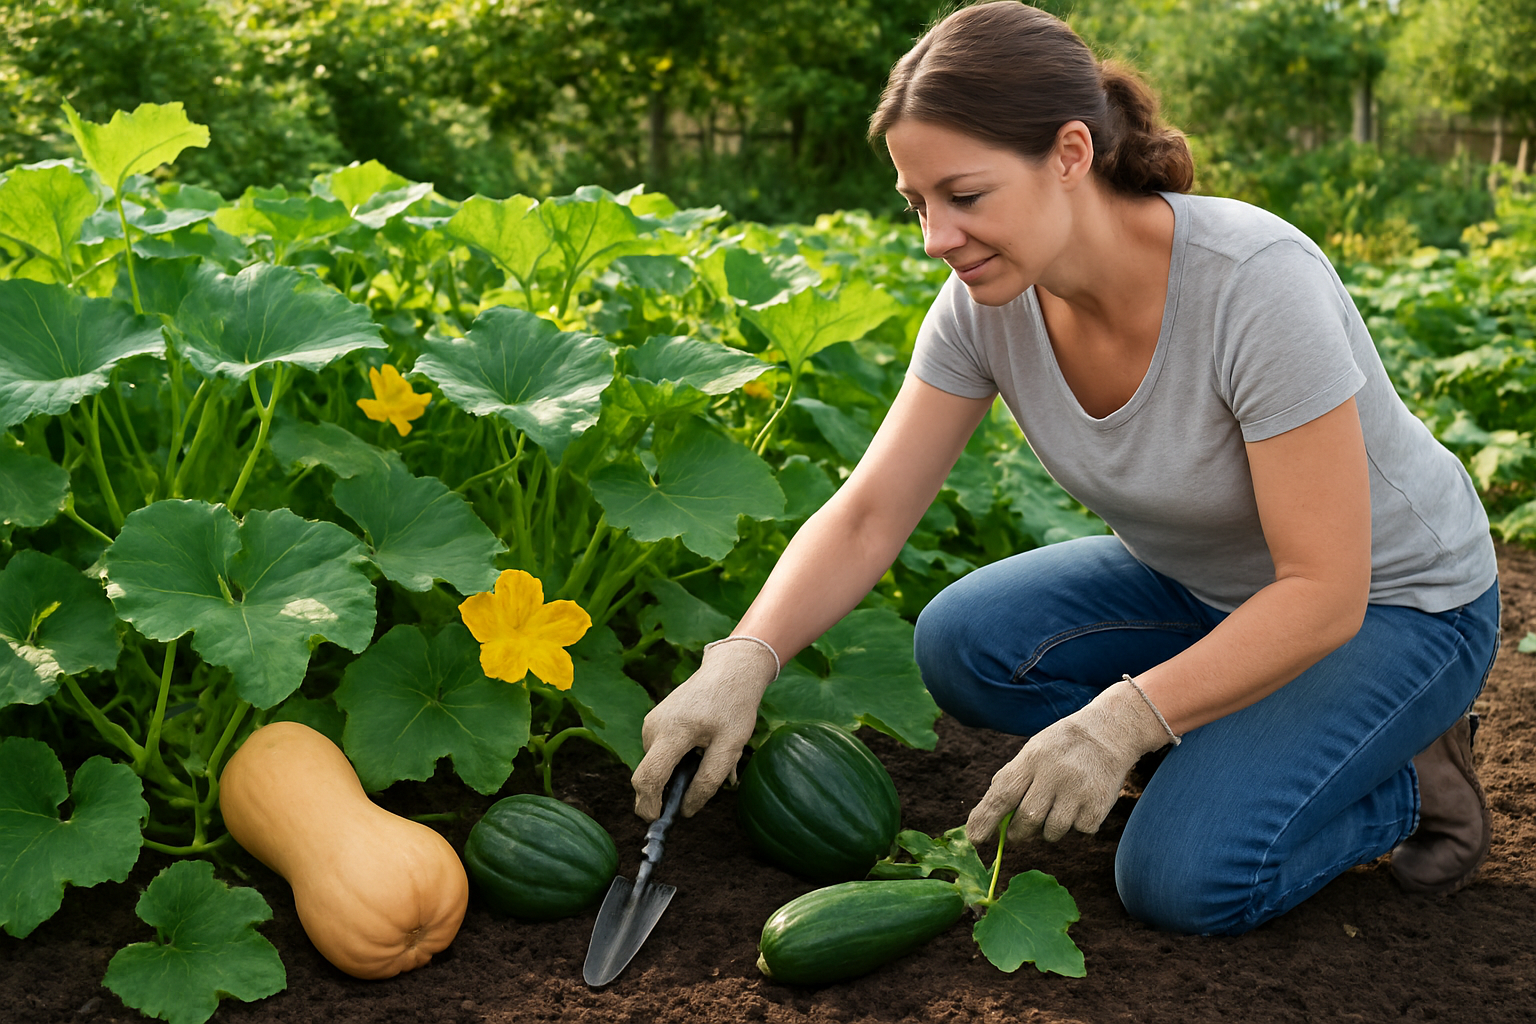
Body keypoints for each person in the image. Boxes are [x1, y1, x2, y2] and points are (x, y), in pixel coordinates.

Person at [630, 0, 1501, 936]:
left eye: (965, 197)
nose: (936, 238)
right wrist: (743, 658)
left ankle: (1410, 781)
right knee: (966, 642)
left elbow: (1326, 590)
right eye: (918, 203)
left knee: (1182, 880)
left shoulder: (1252, 282)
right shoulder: (985, 305)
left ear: (1072, 155)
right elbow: (869, 512)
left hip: (1395, 608)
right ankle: (1245, 737)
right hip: (1208, 589)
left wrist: (1122, 721)